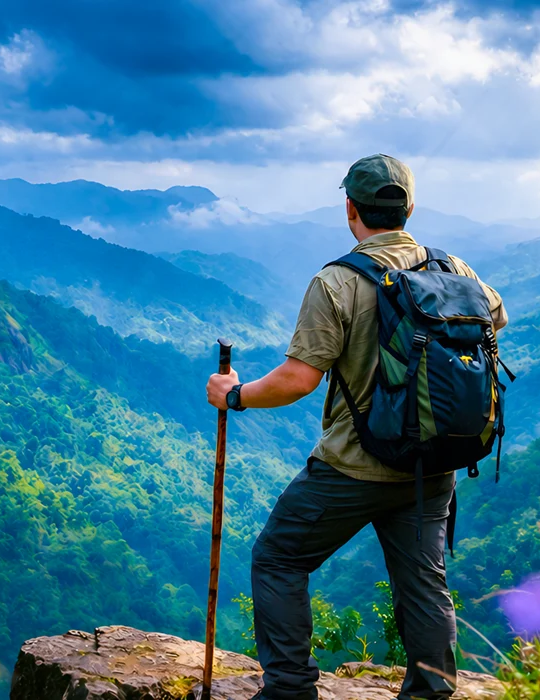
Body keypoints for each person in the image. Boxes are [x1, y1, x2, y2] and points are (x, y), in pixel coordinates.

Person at [205, 154, 507, 700]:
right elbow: (495, 319)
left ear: (350, 208)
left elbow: (299, 378)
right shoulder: (457, 271)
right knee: (423, 582)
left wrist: (237, 396)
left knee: (278, 558)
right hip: (431, 461)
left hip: (352, 466)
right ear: (409, 207)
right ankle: (430, 694)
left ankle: (291, 691)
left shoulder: (338, 281)